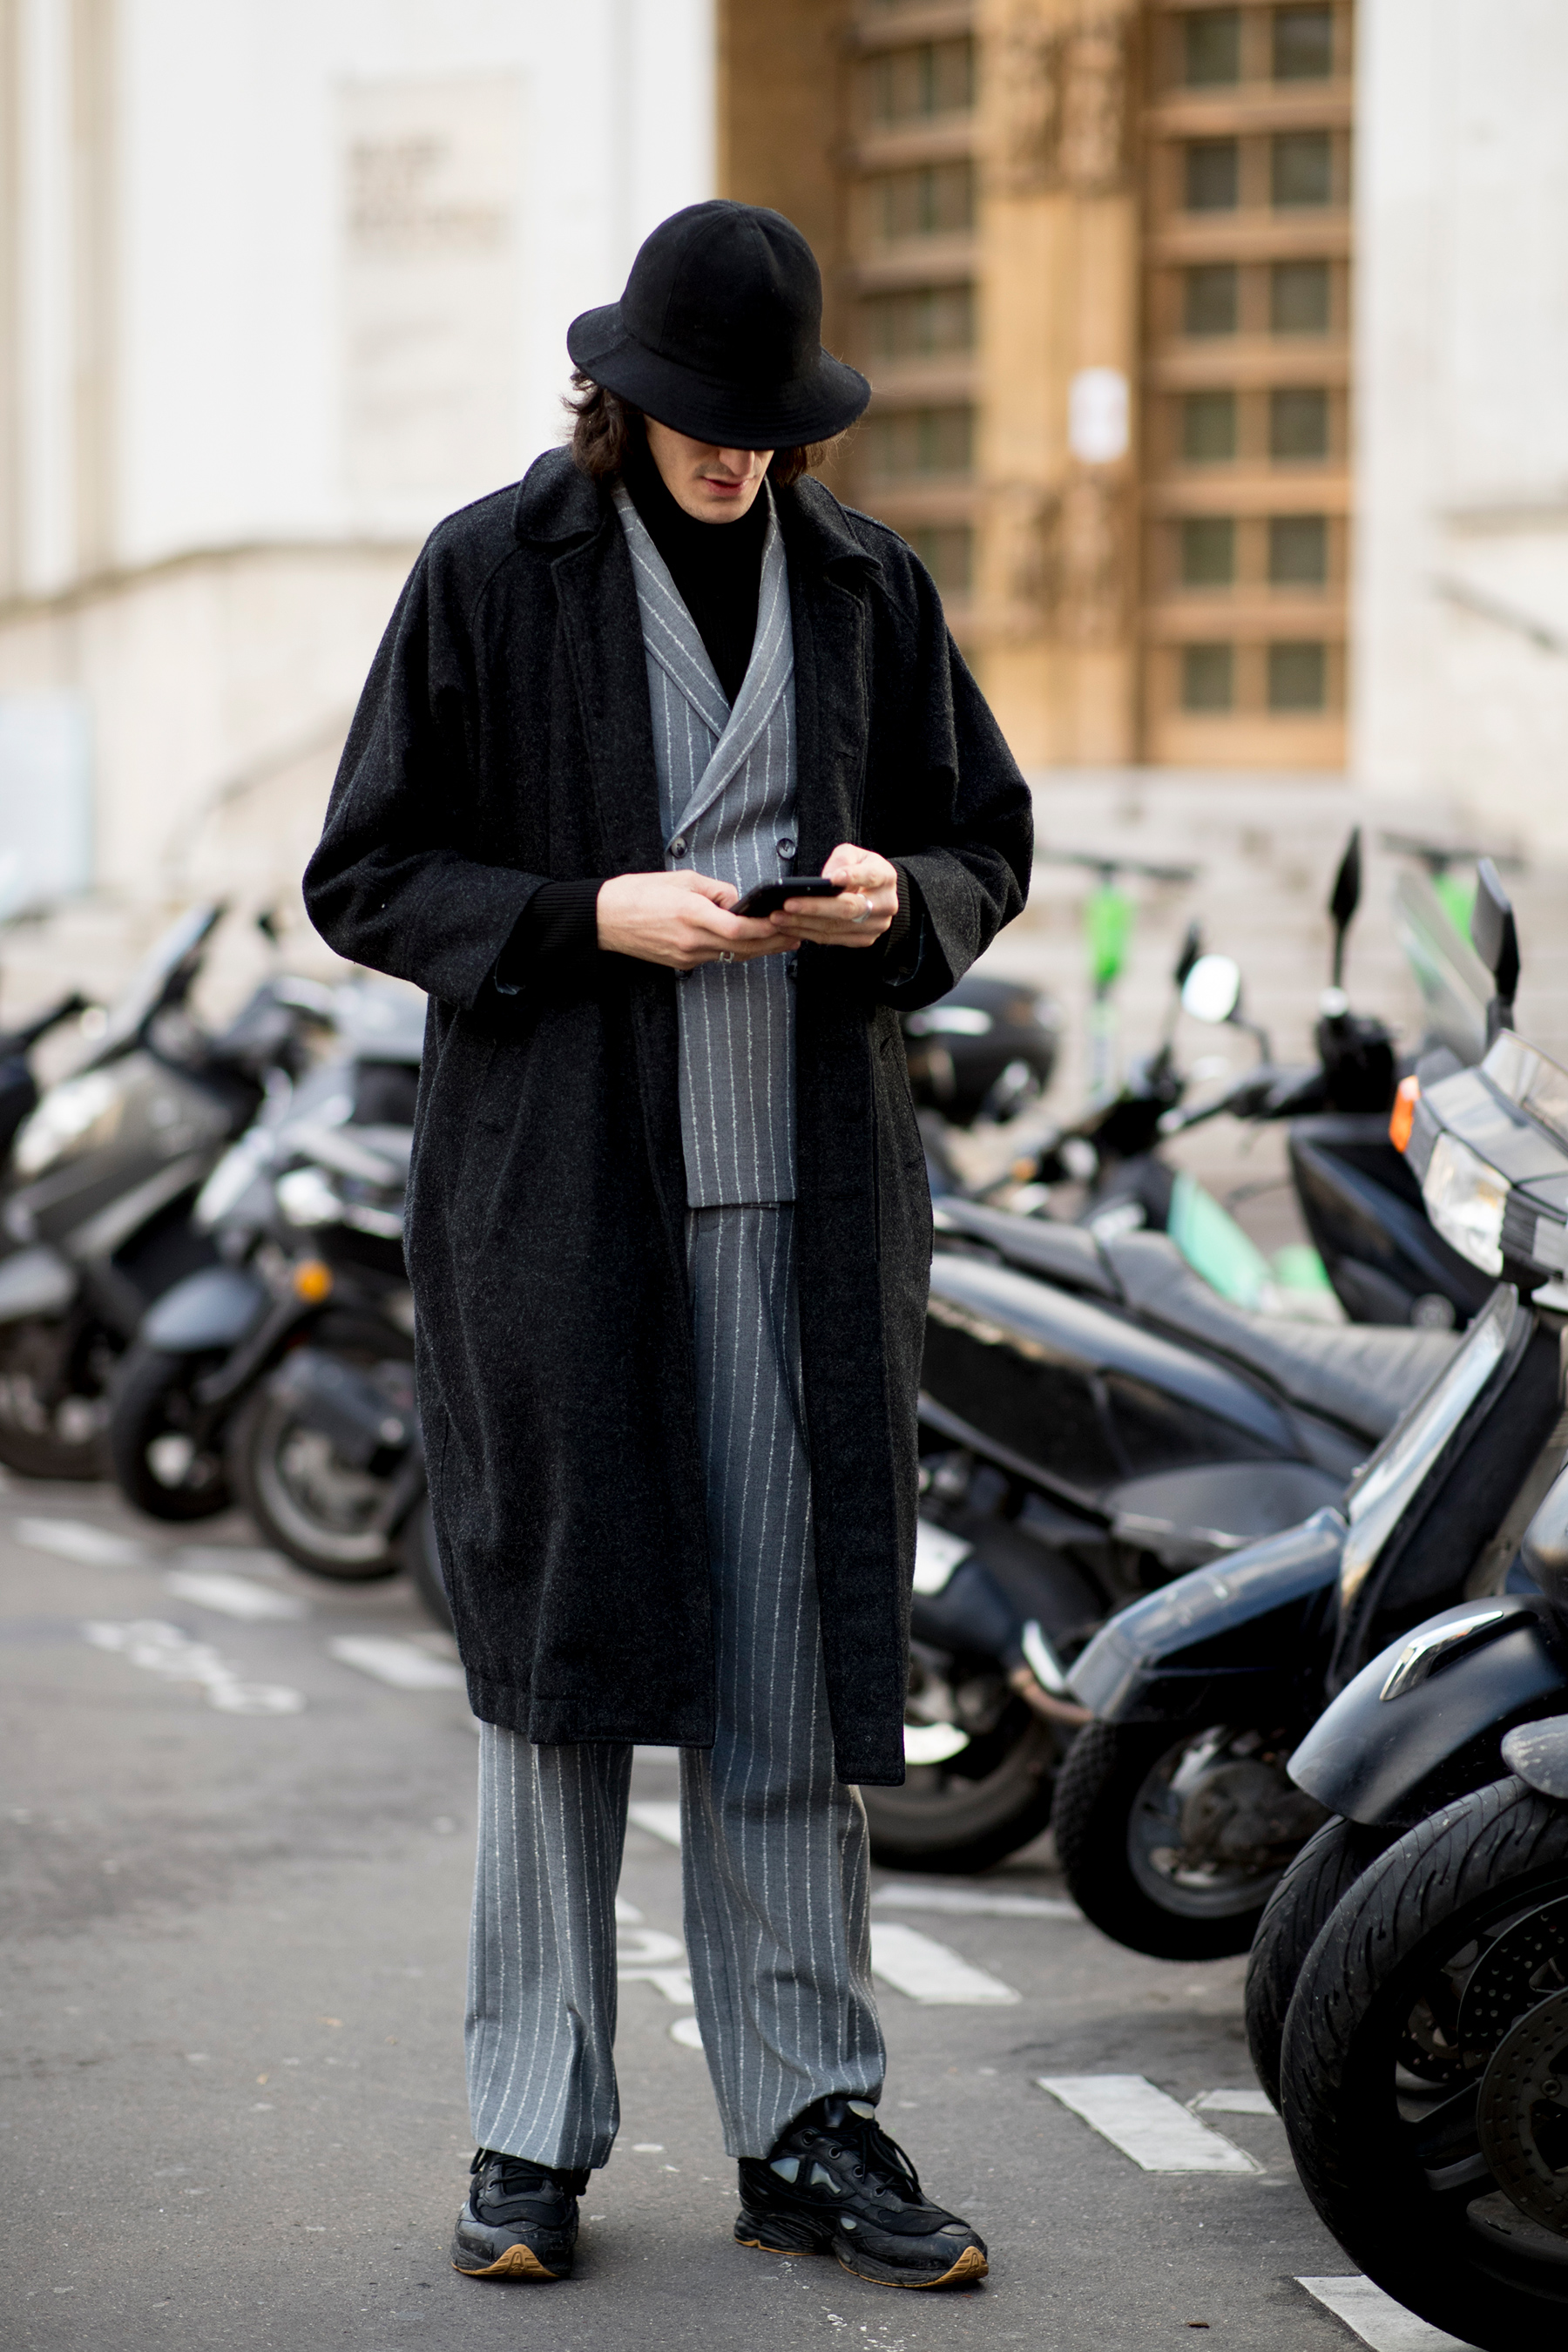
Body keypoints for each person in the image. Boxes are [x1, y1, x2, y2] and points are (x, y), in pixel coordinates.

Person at [304, 198, 1032, 2293]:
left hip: (806, 1227)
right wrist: (581, 916)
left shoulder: (867, 584)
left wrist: (903, 905)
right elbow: (365, 873)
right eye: (700, 418)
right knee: (557, 1683)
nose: (735, 453)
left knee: (790, 1680)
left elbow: (987, 838)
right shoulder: (489, 573)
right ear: (617, 400)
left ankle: (807, 2128)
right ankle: (530, 2133)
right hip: (564, 1225)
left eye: (765, 424)